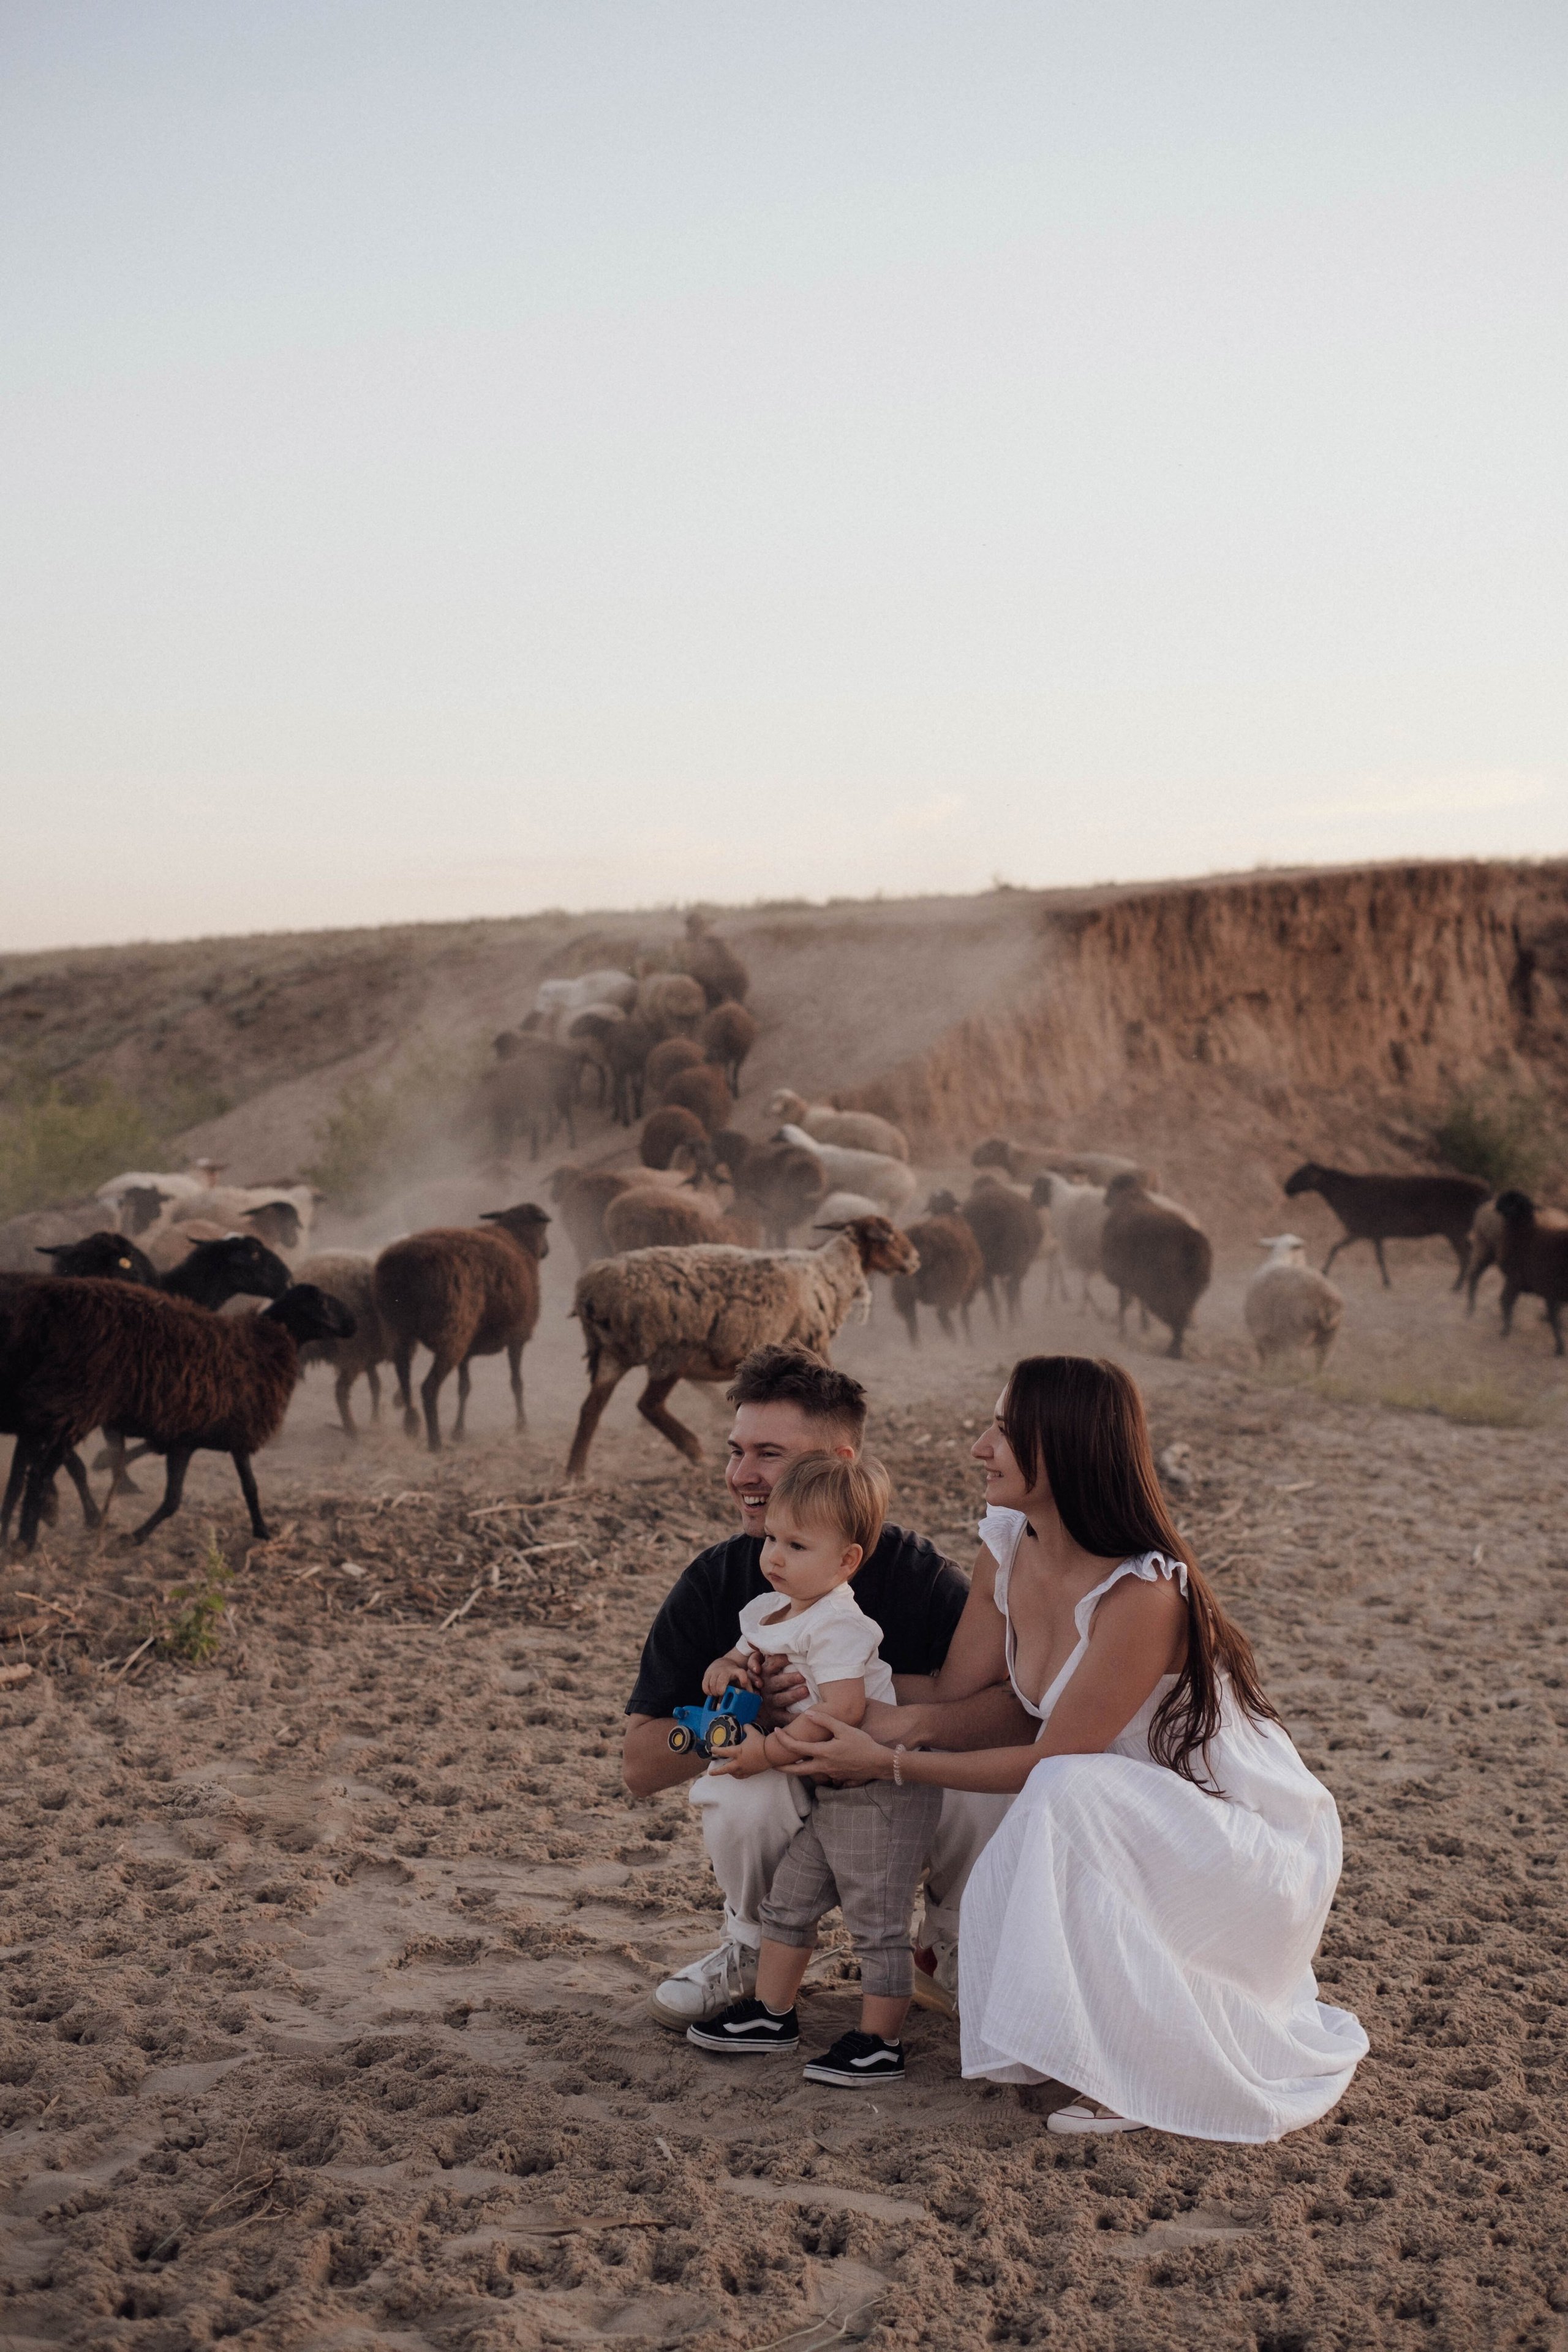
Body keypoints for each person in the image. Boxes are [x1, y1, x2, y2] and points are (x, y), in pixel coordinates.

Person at [774, 1355, 1369, 2143]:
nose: (979, 1447)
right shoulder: (1008, 1542)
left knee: (1063, 1791)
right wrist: (832, 1696)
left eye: (1003, 1432)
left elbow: (1053, 1755)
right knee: (1062, 1791)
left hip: (1238, 1844)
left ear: (1065, 1450)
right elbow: (959, 1700)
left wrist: (881, 1762)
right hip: (1118, 1809)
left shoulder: (1144, 1595)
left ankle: (1132, 2067)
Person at [624, 1344, 1033, 2030]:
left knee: (983, 1776)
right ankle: (753, 1948)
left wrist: (885, 1712)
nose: (742, 1477)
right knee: (735, 1787)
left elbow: (1013, 1711)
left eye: (769, 1455)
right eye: (735, 1452)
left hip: (897, 1796)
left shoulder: (916, 1575)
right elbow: (640, 1765)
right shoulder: (720, 1583)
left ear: (840, 1464)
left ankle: (948, 1944)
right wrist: (737, 1718)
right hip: (782, 1786)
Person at [686, 1451, 943, 2086]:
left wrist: (767, 1754)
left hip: (878, 1791)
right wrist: (724, 1669)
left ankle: (879, 2042)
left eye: (796, 1545)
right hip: (831, 1792)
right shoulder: (769, 1611)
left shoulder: (840, 1624)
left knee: (876, 1921)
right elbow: (740, 1653)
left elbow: (844, 1708)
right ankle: (772, 2015)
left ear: (846, 1561)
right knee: (789, 1902)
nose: (774, 1555)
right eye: (772, 1537)